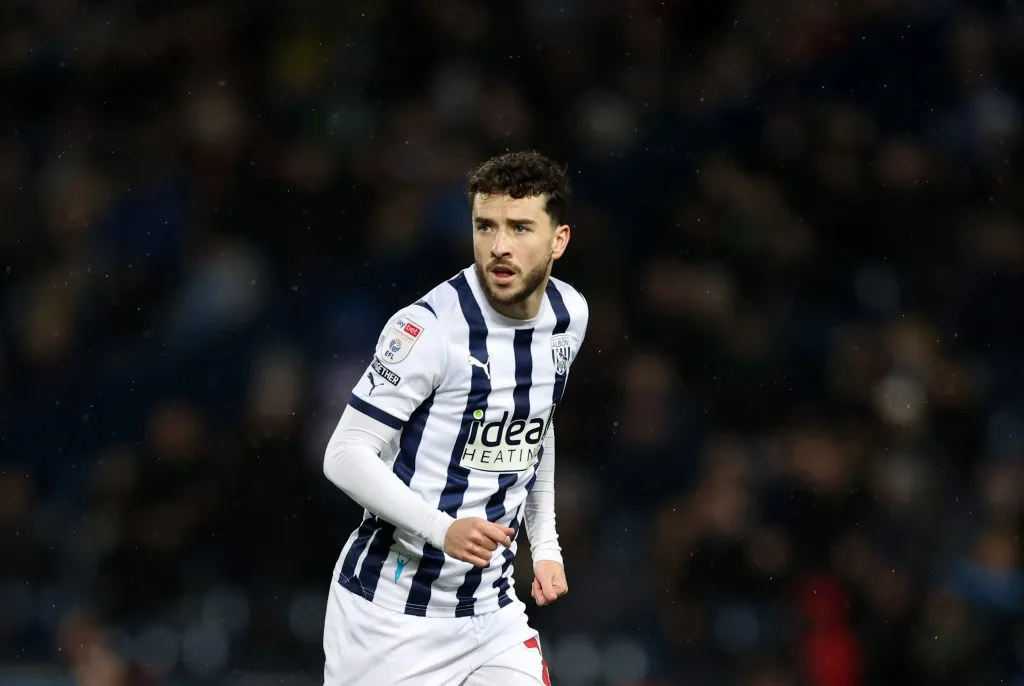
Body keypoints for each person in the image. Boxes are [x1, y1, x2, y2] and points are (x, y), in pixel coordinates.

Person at [321, 150, 588, 685]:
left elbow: (537, 421)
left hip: (490, 615)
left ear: (558, 240)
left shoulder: (569, 316)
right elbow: (344, 455)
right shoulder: (427, 329)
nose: (499, 247)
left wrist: (547, 545)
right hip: (388, 619)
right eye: (485, 226)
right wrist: (442, 529)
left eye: (519, 228)